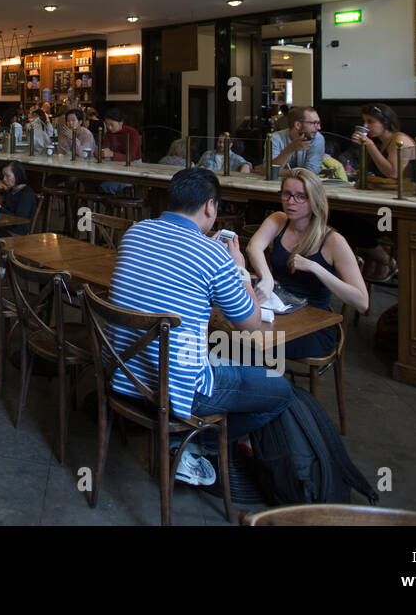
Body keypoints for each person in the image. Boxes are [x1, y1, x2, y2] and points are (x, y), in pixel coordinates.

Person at [107, 167, 292, 485]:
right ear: (210, 206)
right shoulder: (213, 256)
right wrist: (239, 271)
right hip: (178, 390)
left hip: (122, 373)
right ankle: (187, 445)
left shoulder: (135, 232)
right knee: (281, 389)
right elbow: (252, 326)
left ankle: (185, 440)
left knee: (221, 353)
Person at [245, 169, 369, 359]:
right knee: (232, 338)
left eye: (300, 197)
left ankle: (274, 387)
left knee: (250, 349)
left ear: (314, 200)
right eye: (287, 194)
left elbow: (362, 303)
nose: (291, 202)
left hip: (313, 327)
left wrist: (316, 268)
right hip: (278, 314)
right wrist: (267, 278)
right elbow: (253, 247)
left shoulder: (333, 241)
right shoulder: (278, 220)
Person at [350, 103, 415, 179]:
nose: (365, 126)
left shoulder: (400, 139)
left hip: (405, 189)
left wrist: (370, 145)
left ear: (385, 122)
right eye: (364, 121)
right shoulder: (382, 141)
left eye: (370, 122)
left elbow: (393, 174)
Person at [269, 106, 324, 172]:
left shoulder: (317, 138)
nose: (319, 127)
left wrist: (280, 172)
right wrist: (289, 149)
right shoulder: (275, 138)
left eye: (319, 123)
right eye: (314, 123)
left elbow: (311, 172)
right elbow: (270, 170)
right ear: (298, 125)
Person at [0, 160, 36, 236]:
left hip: (15, 233)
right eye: (3, 176)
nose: (4, 179)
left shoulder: (26, 194)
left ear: (17, 175)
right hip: (4, 228)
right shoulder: (11, 191)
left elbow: (19, 220)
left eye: (7, 176)